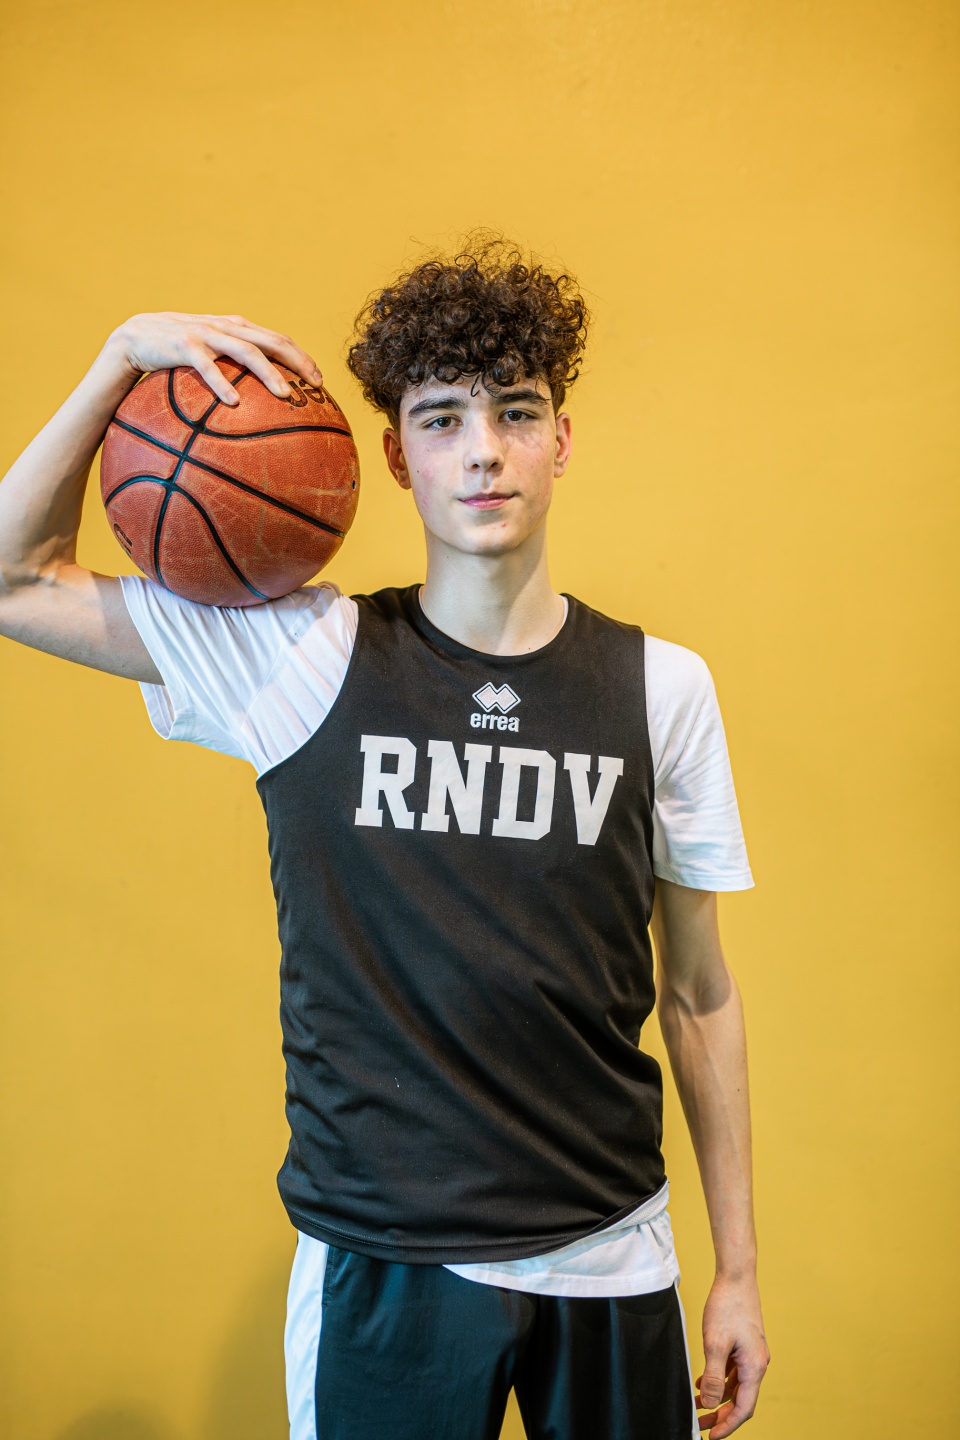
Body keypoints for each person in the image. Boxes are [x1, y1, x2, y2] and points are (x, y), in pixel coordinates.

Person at [0, 241, 769, 1440]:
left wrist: (738, 1271)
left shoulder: (661, 689)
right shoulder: (298, 657)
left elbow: (700, 993)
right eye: (443, 419)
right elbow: (11, 578)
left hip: (614, 1249)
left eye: (516, 413)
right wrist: (117, 361)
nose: (484, 450)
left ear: (562, 439)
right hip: (380, 1258)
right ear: (397, 458)